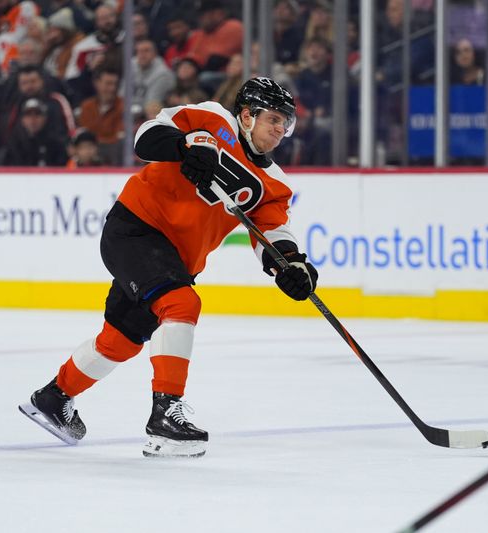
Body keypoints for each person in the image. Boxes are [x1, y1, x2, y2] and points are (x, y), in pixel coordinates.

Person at [20, 76, 318, 458]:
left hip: (175, 261)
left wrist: (291, 266)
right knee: (182, 305)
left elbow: (274, 233)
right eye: (273, 119)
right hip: (136, 228)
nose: (281, 130)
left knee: (120, 341)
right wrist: (184, 146)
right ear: (247, 115)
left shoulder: (274, 184)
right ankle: (165, 416)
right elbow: (146, 136)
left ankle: (52, 398)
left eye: (285, 123)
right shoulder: (212, 119)